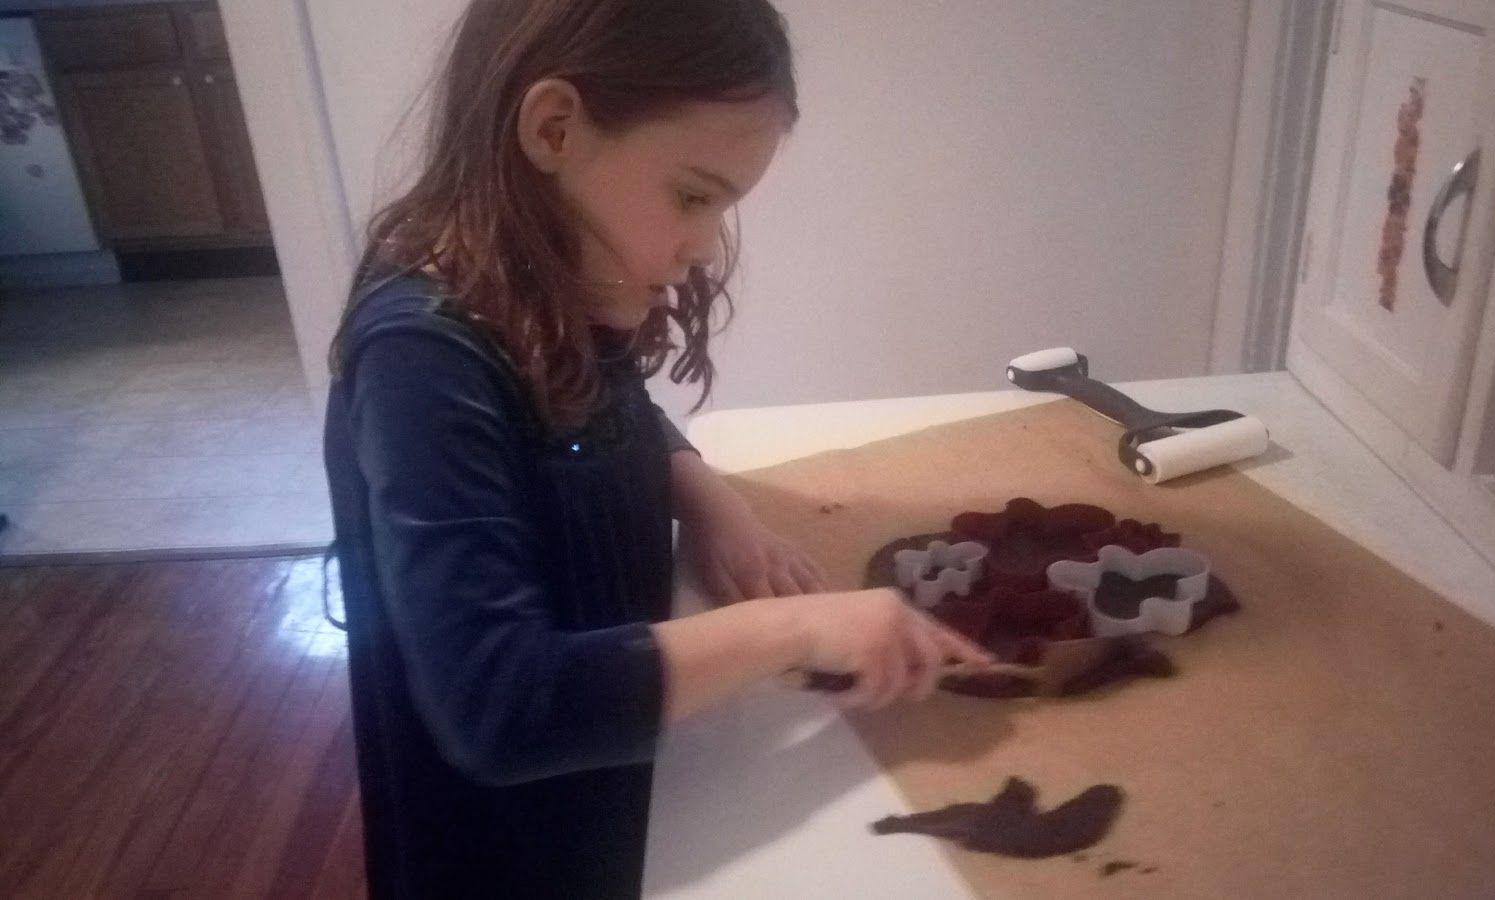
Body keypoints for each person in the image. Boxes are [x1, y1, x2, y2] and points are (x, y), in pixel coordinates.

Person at [322, 1, 993, 896]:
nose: (703, 248)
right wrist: (798, 627)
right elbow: (501, 706)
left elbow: (607, 403)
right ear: (554, 129)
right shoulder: (422, 355)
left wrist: (708, 500)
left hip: (619, 781)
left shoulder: (536, 280)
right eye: (692, 197)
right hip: (512, 851)